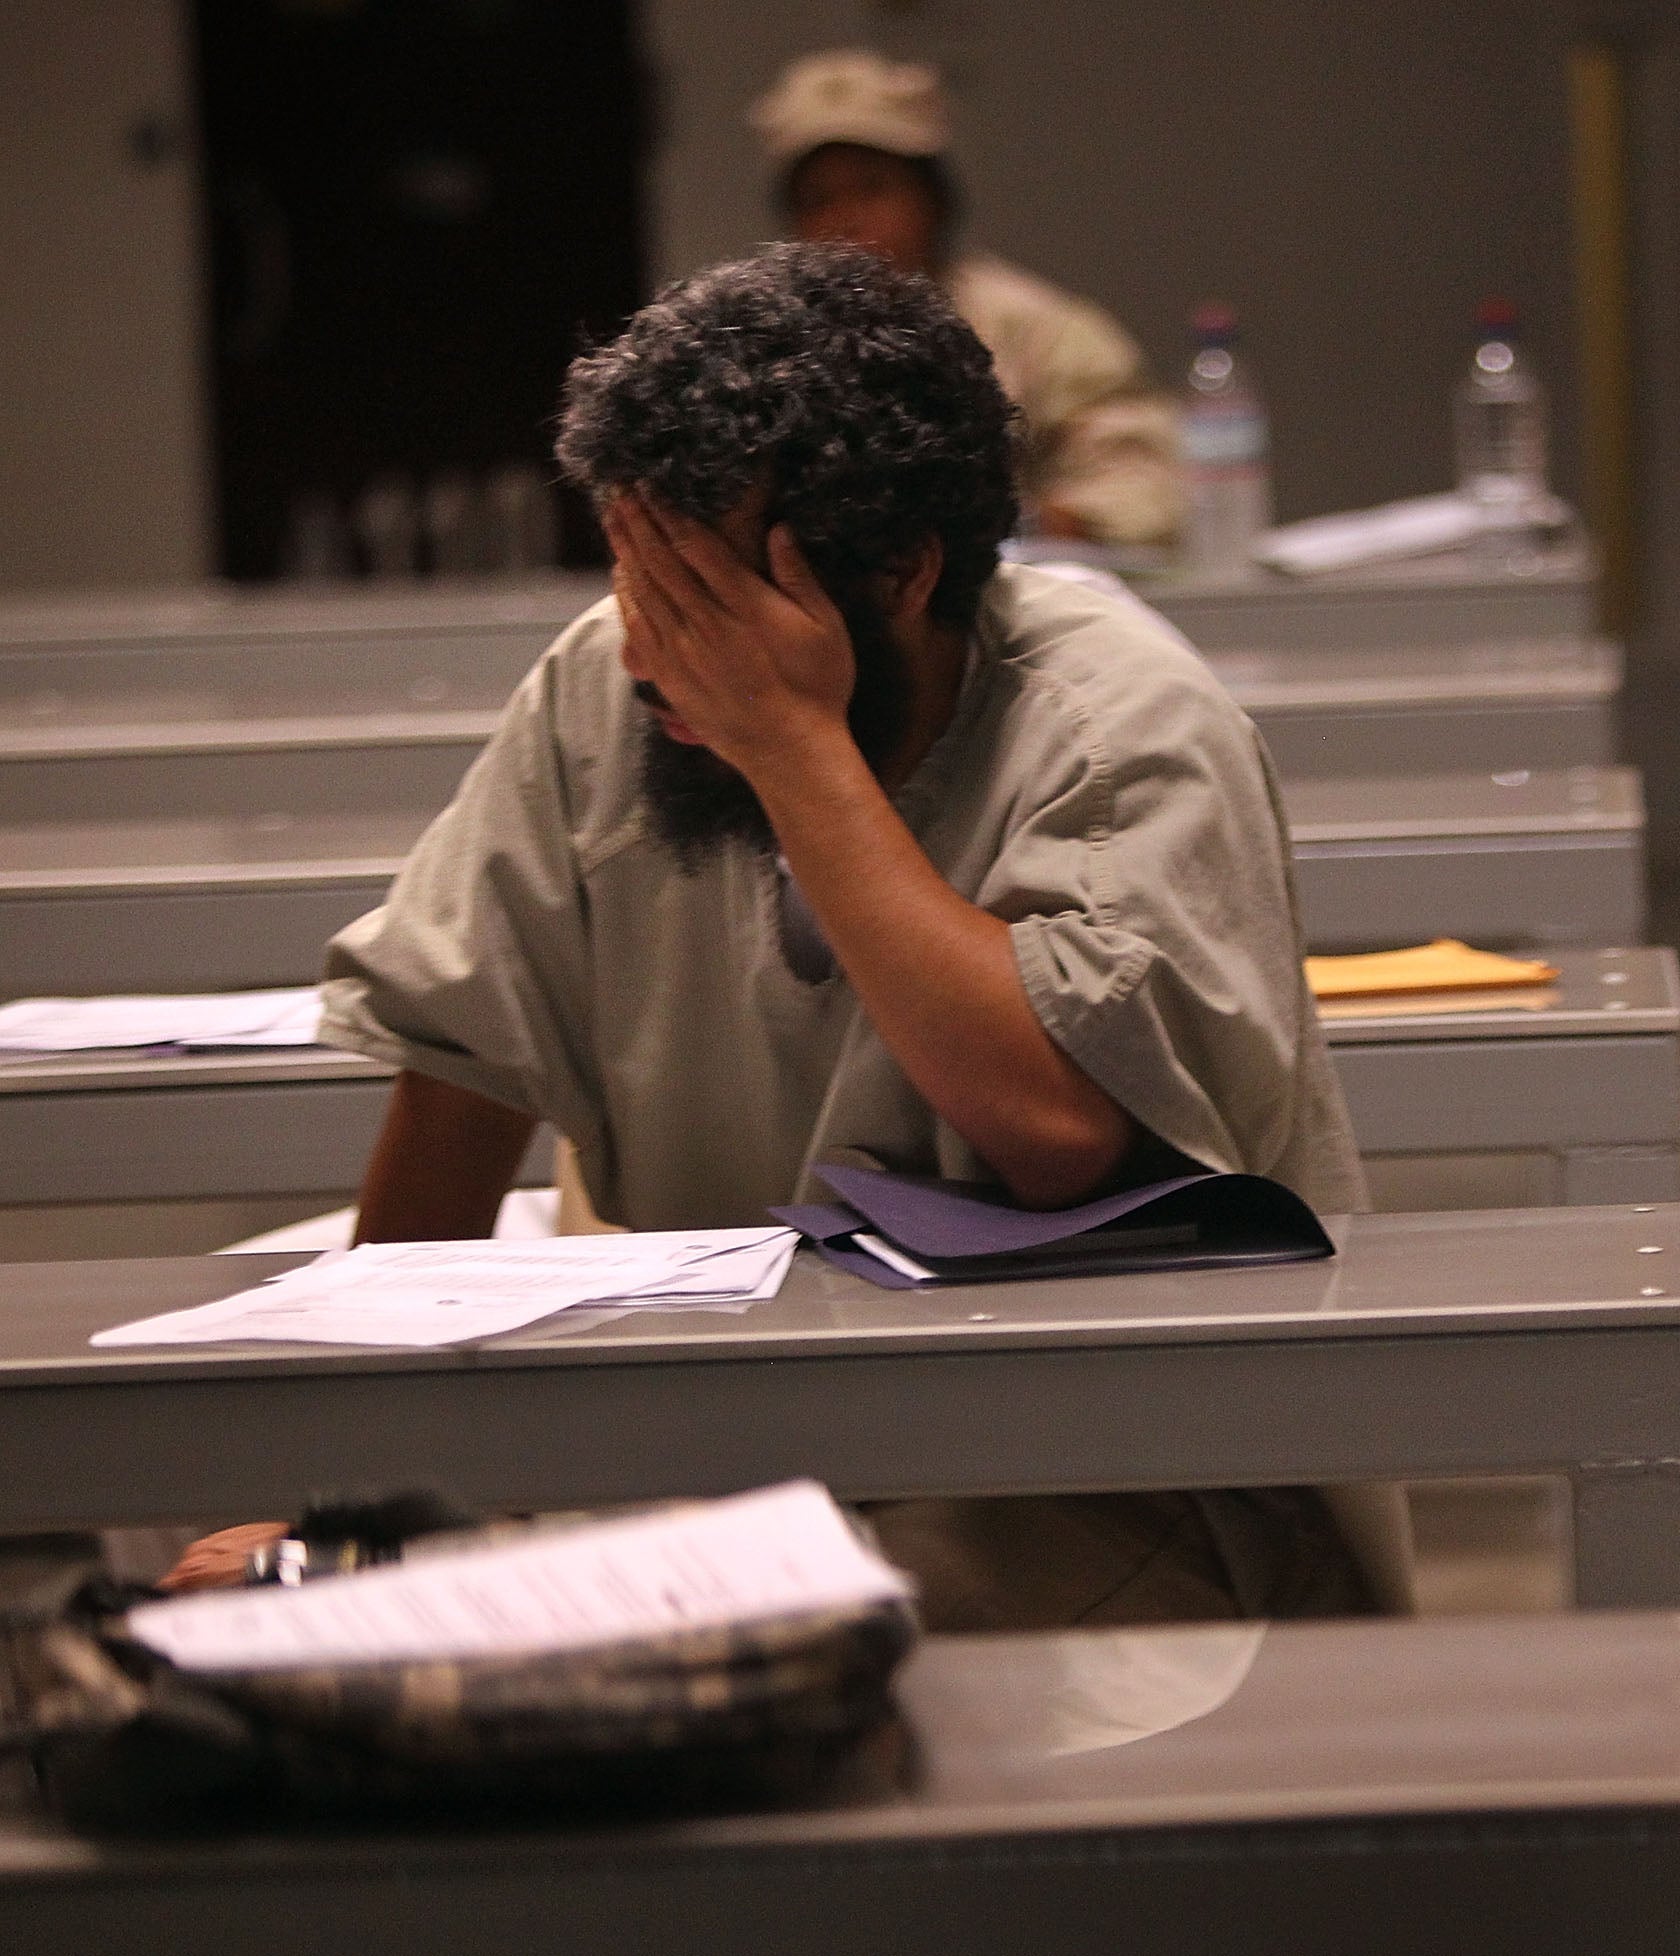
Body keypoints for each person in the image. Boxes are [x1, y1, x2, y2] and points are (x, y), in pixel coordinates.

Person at [167, 243, 1380, 1625]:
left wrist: (792, 744)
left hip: (1100, 1459)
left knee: (724, 1638)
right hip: (740, 1421)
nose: (648, 651)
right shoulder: (604, 685)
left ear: (903, 573)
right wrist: (342, 1508)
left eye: (710, 596)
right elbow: (462, 1068)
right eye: (636, 574)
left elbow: (1060, 1134)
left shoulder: (1121, 727)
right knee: (230, 1476)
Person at [751, 46, 1182, 550]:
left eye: (872, 188)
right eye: (818, 200)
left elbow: (1148, 479)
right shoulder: (760, 344)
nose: (846, 219)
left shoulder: (1038, 328)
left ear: (932, 199)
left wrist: (1029, 524)